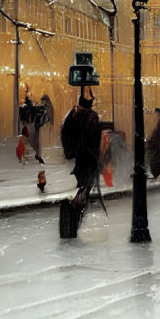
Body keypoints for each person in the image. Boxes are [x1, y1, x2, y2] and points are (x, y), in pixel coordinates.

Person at [59, 87, 105, 238]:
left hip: (80, 157)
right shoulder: (91, 117)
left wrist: (71, 150)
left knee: (84, 186)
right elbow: (95, 138)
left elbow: (65, 133)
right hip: (89, 157)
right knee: (86, 187)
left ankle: (73, 219)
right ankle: (74, 216)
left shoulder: (73, 117)